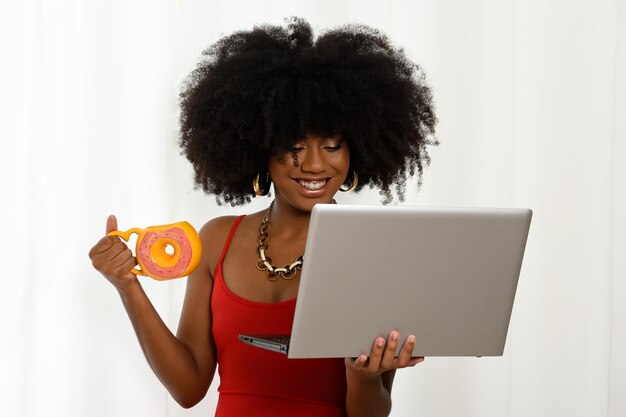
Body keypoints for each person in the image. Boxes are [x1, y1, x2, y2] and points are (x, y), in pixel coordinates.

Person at [88, 17, 437, 417]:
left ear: (355, 150)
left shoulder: (373, 254)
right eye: (294, 146)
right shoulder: (218, 239)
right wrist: (128, 286)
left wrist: (362, 377)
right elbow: (187, 388)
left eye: (332, 145)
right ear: (259, 148)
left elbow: (370, 413)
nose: (314, 164)